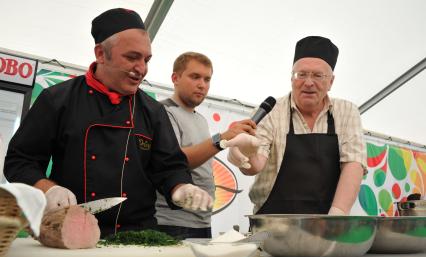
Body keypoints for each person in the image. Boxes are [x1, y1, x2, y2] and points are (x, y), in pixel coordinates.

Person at [3, 8, 212, 237]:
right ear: (101, 54)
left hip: (137, 236)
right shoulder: (58, 99)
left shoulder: (152, 111)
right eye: (132, 57)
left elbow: (169, 166)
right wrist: (47, 188)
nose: (141, 68)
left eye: (146, 59)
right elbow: (20, 160)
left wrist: (180, 186)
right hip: (69, 231)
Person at [225, 36, 367, 215]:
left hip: (327, 223)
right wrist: (245, 153)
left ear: (331, 82)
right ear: (291, 78)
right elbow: (255, 166)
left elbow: (354, 163)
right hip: (272, 222)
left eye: (318, 75)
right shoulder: (271, 111)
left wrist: (337, 215)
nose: (308, 82)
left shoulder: (347, 112)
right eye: (301, 74)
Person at [155, 52, 256, 239]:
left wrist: (234, 145)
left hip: (202, 221)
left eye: (207, 79)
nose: (202, 84)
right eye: (195, 77)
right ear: (175, 78)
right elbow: (173, 162)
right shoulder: (163, 112)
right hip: (171, 222)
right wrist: (222, 139)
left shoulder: (200, 119)